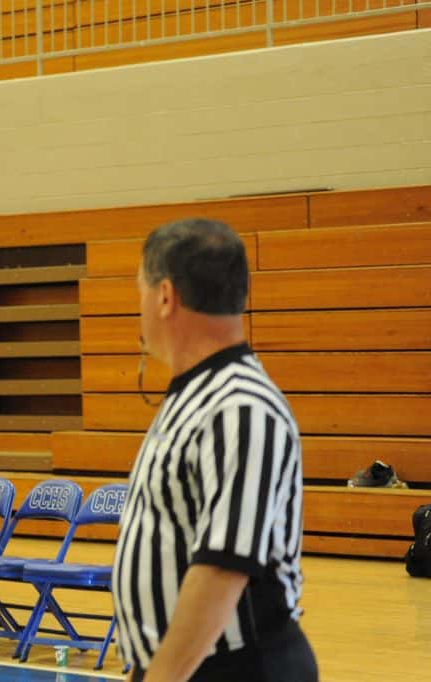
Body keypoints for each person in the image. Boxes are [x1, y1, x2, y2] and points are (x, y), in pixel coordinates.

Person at [112, 218, 317, 682]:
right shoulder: (199, 394)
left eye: (141, 290)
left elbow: (223, 569)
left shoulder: (240, 405)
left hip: (237, 669)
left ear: (165, 296)